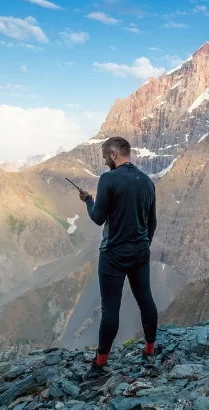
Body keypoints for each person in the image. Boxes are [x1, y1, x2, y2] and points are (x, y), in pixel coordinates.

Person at [77, 136, 158, 377]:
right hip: (140, 251)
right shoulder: (147, 182)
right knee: (146, 300)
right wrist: (143, 246)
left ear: (113, 154)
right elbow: (151, 222)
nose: (104, 163)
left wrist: (88, 200)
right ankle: (150, 350)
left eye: (105, 157)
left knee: (110, 309)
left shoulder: (108, 179)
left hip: (113, 255)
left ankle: (100, 364)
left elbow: (98, 217)